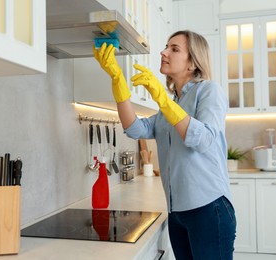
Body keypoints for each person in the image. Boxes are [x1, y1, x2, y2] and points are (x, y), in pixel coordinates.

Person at [93, 30, 236, 260]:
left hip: (209, 209)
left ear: (192, 62)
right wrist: (117, 80)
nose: (163, 52)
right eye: (166, 46)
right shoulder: (171, 105)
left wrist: (161, 97)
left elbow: (204, 139)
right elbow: (135, 129)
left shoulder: (209, 91)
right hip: (176, 213)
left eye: (174, 49)